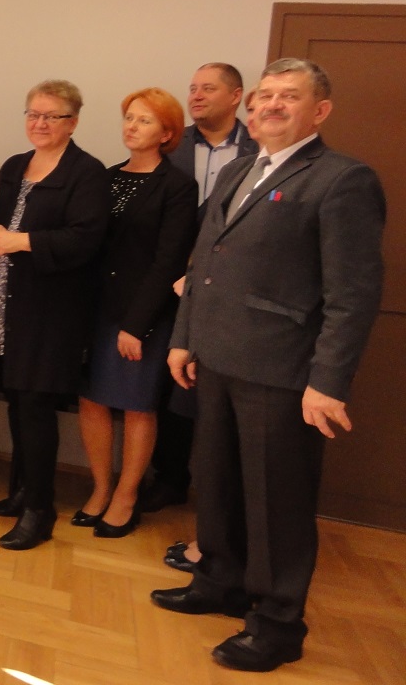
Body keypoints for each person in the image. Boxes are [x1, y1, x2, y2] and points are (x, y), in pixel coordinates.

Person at [152, 58, 384, 673]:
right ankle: (219, 582)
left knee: (276, 502)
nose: (272, 106)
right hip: (216, 358)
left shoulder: (342, 180)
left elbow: (353, 295)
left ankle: (279, 624)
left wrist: (327, 382)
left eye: (290, 96)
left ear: (320, 110)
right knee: (217, 483)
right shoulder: (239, 169)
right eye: (265, 96)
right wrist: (183, 338)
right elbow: (204, 262)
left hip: (283, 372)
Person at [0, 80, 108, 550]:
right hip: (6, 305)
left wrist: (22, 241)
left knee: (35, 406)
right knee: (16, 399)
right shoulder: (15, 165)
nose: (40, 123)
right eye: (33, 114)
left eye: (52, 116)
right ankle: (24, 489)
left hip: (51, 312)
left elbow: (85, 239)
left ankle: (40, 509)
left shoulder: (87, 172)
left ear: (73, 122)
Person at [75, 88, 197, 539]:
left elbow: (168, 261)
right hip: (97, 307)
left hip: (143, 314)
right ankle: (101, 488)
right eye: (129, 117)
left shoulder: (178, 186)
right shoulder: (106, 177)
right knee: (91, 400)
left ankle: (127, 496)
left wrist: (136, 325)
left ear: (166, 133)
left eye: (144, 120)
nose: (132, 126)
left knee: (136, 405)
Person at [143, 62, 259, 514]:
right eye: (193, 88)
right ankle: (168, 478)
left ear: (236, 96)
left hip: (223, 287)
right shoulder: (170, 143)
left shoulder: (259, 149)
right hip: (162, 282)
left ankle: (216, 499)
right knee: (165, 387)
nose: (196, 96)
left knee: (205, 390)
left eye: (208, 88)